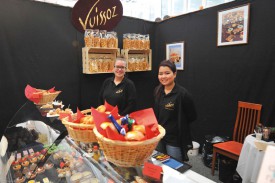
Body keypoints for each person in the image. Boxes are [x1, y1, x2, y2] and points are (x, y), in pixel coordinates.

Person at [154, 60, 197, 161]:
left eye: (167, 73)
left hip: (174, 140)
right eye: (160, 74)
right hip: (160, 136)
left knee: (175, 167)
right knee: (161, 163)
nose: (163, 76)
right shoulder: (157, 91)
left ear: (175, 74)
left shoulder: (183, 94)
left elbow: (192, 116)